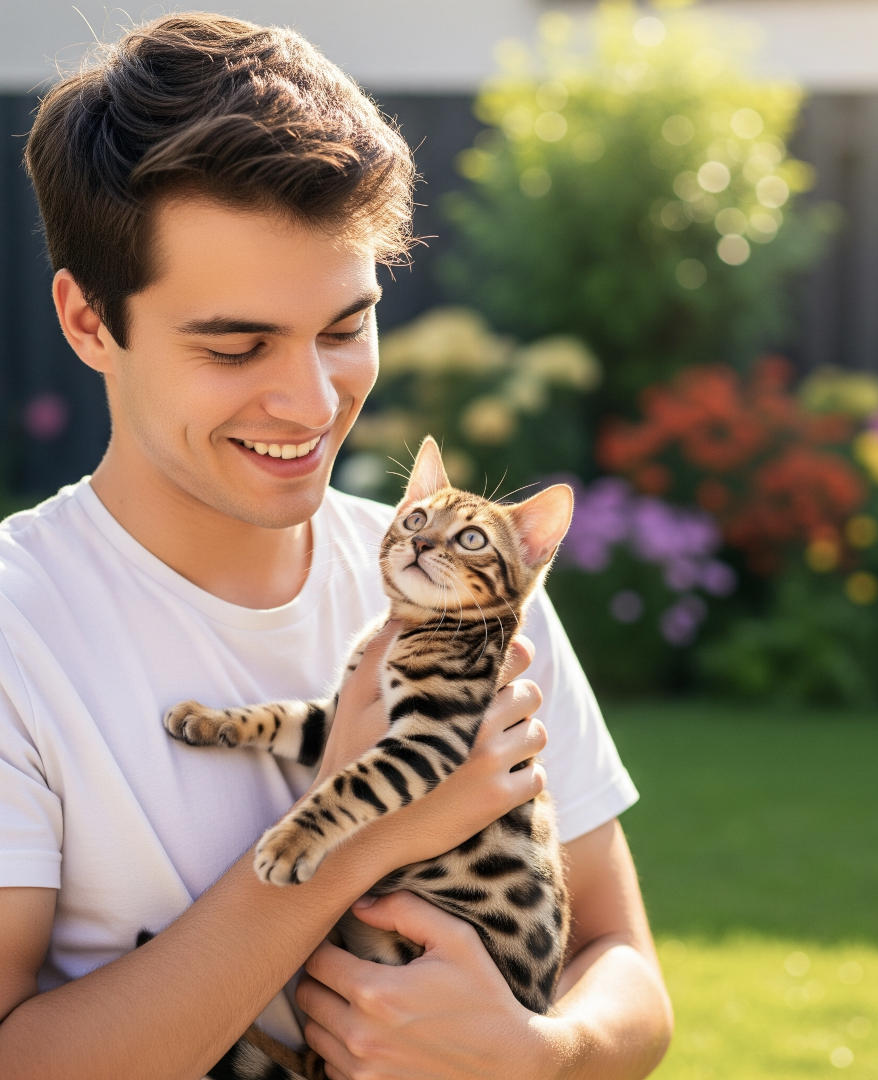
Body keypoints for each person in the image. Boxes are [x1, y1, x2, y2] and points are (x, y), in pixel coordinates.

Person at [0, 13, 673, 1080]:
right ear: (90, 324)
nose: (313, 401)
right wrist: (358, 829)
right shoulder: (17, 633)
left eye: (345, 327)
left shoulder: (469, 583)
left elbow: (622, 961)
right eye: (236, 344)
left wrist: (542, 1051)